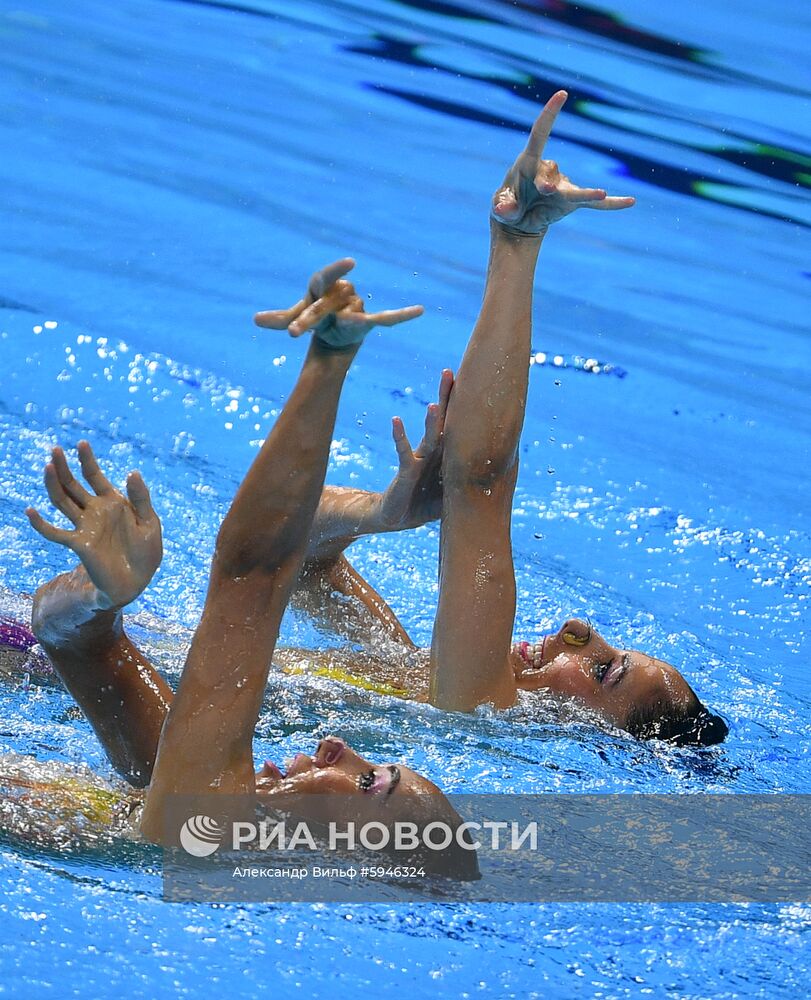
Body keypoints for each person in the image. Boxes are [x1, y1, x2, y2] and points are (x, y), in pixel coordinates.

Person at [274, 91, 728, 747]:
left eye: (603, 670)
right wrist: (379, 514)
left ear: (591, 736)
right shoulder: (416, 674)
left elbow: (479, 481)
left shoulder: (476, 709)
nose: (577, 630)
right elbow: (290, 556)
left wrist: (516, 243)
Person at [21, 259, 479, 877]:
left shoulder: (208, 819)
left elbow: (256, 571)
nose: (339, 748)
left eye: (370, 782)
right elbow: (64, 638)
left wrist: (329, 361)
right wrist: (98, 597)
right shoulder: (189, 795)